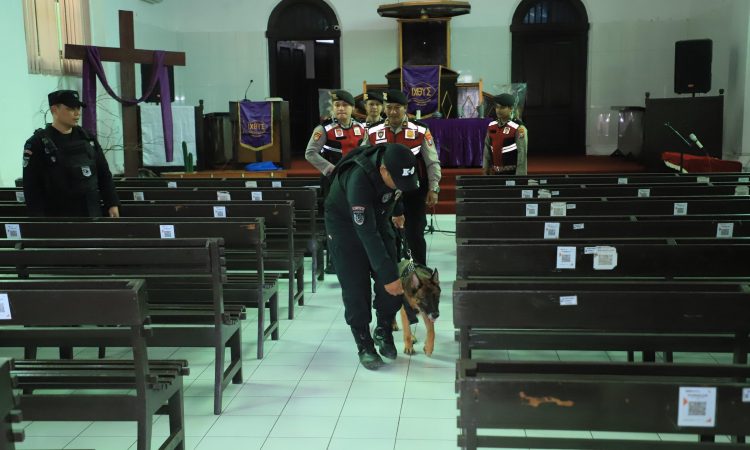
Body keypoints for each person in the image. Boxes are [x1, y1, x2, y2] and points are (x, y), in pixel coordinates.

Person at [325, 143, 419, 370]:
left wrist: (397, 211)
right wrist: (387, 276)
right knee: (356, 286)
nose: (401, 185)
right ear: (384, 170)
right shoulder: (358, 179)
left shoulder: (394, 166)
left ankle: (383, 329)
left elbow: (398, 190)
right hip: (345, 227)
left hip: (378, 217)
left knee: (393, 283)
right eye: (398, 180)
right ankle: (364, 343)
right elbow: (366, 232)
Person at [365, 89, 441, 266]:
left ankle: (420, 272)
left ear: (405, 108)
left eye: (397, 108)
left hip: (413, 191)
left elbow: (432, 162)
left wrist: (434, 188)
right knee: (387, 234)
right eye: (389, 107)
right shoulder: (373, 131)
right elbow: (364, 161)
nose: (392, 112)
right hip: (384, 193)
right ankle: (392, 274)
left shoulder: (420, 130)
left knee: (415, 233)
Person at [23, 89, 120, 217]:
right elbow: (31, 187)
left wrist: (112, 203)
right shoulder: (38, 143)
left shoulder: (87, 138)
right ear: (54, 110)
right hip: (58, 217)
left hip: (92, 213)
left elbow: (104, 174)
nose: (77, 113)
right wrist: (38, 221)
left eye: (78, 108)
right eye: (70, 109)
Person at [305, 89, 365, 274]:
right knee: (335, 223)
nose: (340, 109)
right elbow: (310, 153)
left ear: (353, 108)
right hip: (333, 183)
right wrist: (332, 169)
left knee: (357, 219)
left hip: (356, 182)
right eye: (337, 105)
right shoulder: (323, 129)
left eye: (345, 105)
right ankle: (334, 261)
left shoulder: (362, 128)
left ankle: (357, 258)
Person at [482, 92, 528, 176]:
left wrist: (520, 177)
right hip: (494, 174)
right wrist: (485, 169)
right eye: (497, 107)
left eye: (502, 107)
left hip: (511, 174)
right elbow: (487, 150)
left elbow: (522, 154)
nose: (498, 110)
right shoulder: (492, 126)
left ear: (511, 108)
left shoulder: (518, 128)